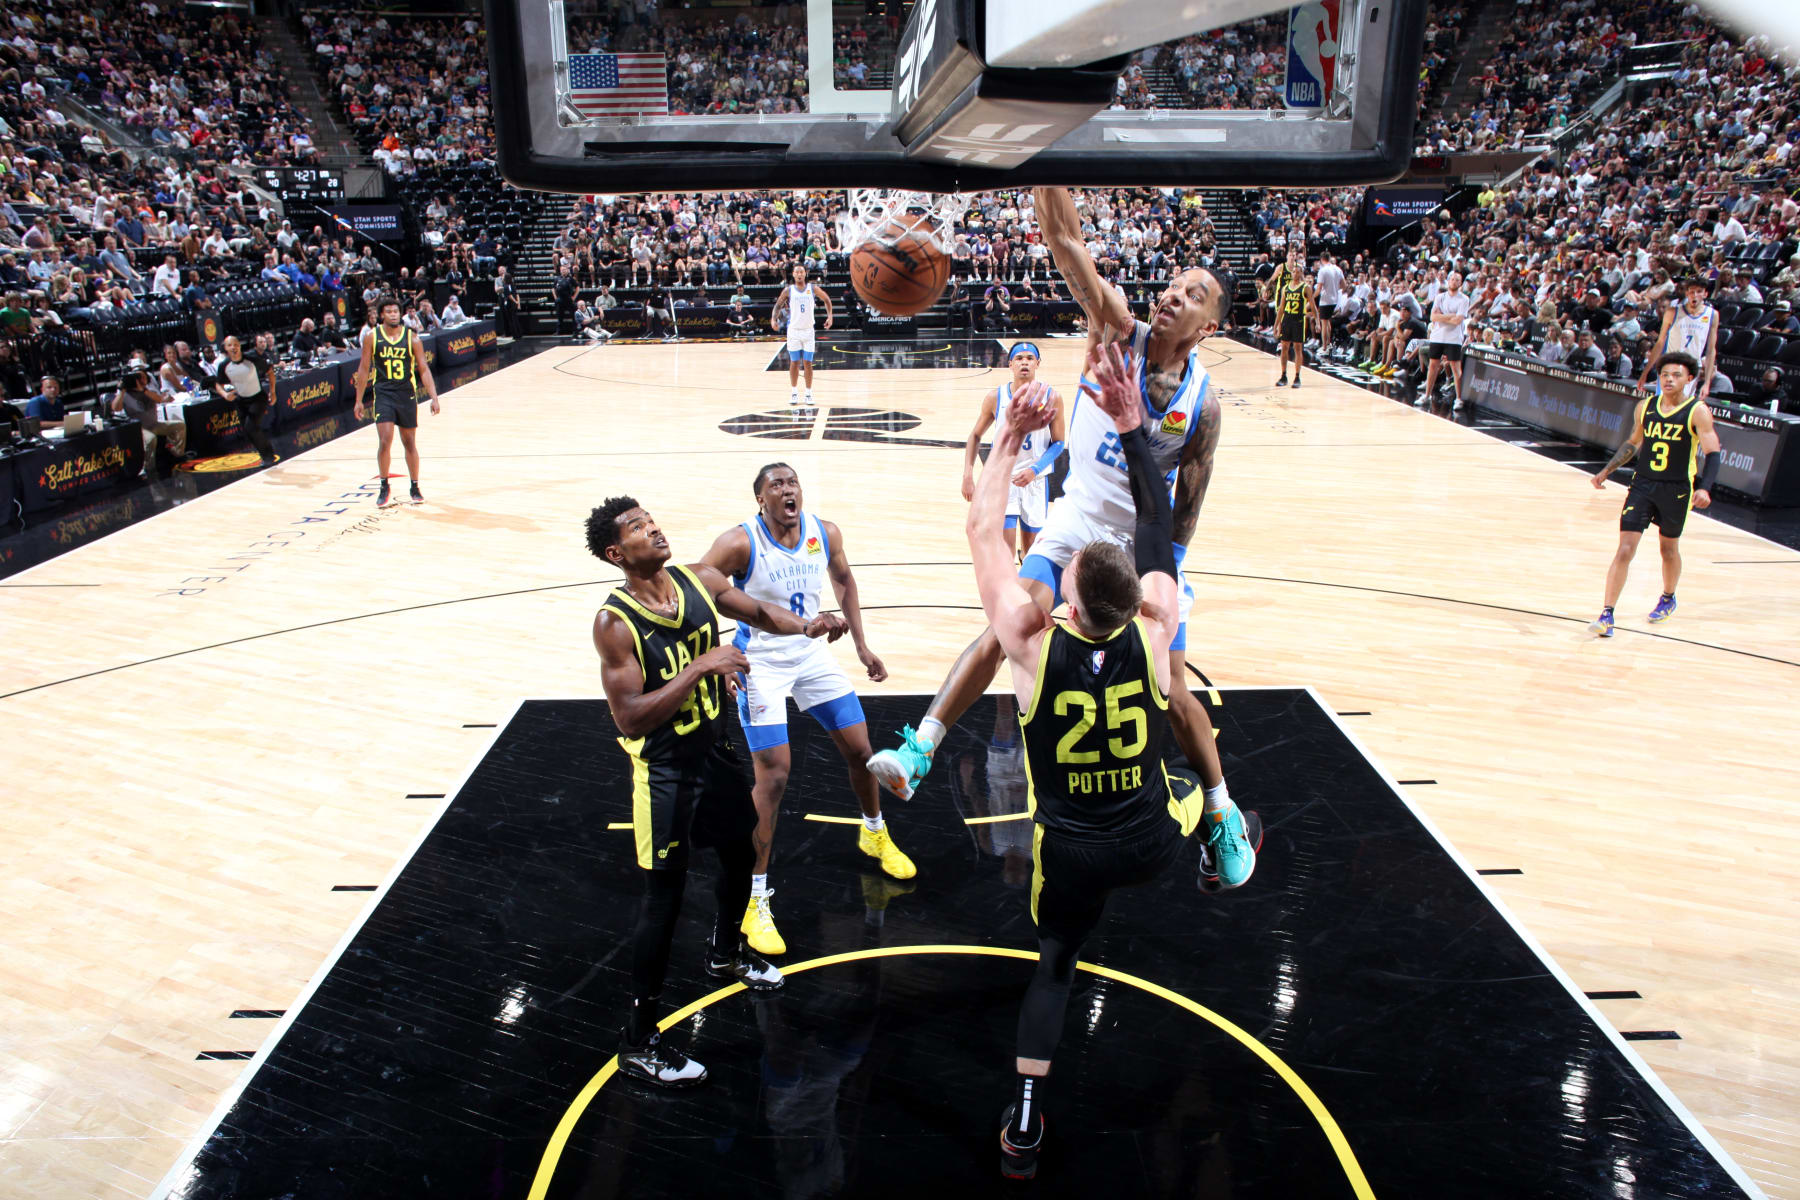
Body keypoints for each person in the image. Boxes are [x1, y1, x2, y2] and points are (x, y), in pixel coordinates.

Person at [866, 185, 1254, 889]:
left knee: (1171, 687)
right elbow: (1068, 246)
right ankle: (922, 747)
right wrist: (1043, 158)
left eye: (1193, 293)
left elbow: (1189, 500)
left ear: (1208, 326)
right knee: (1009, 623)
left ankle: (1222, 814)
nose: (1173, 293)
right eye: (1173, 284)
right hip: (1075, 521)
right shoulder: (1116, 330)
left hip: (1144, 542)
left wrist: (1168, 579)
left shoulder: (1206, 404)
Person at [974, 345, 1242, 1180]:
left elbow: (985, 527)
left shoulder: (1027, 642)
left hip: (1076, 853)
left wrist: (1009, 440)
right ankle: (1223, 835)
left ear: (1071, 600)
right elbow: (1158, 524)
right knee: (1204, 801)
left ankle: (1024, 1119)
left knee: (1055, 966)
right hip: (1149, 840)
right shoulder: (1159, 623)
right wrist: (1133, 430)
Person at [588, 496, 850, 1087]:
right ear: (615, 553)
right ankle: (639, 1041)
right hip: (665, 772)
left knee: (740, 853)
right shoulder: (614, 622)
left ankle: (725, 953)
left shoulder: (698, 580)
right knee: (664, 900)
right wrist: (701, 668)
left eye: (651, 518)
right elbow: (629, 718)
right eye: (636, 528)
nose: (653, 527)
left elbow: (760, 613)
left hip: (715, 753)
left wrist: (808, 625)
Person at [698, 464, 907, 958]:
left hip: (812, 655)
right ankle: (754, 899)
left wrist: (861, 645)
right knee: (773, 778)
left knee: (862, 752)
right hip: (761, 664)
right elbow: (700, 592)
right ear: (760, 500)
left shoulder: (823, 531)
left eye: (792, 483)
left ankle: (874, 834)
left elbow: (845, 581)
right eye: (776, 486)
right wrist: (717, 659)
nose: (787, 490)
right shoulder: (739, 542)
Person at [1586, 352, 1722, 637]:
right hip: (1643, 485)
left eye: (1676, 375)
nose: (1669, 379)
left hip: (1677, 489)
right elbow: (1634, 442)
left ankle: (1668, 597)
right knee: (1625, 549)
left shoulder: (1697, 411)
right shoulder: (1646, 406)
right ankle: (1607, 613)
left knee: (1668, 549)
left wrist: (1705, 487)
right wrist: (1607, 471)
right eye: (1664, 375)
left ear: (1688, 379)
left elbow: (1712, 451)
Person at [961, 342, 1067, 559]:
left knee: (1031, 551)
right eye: (1019, 358)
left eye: (1029, 358)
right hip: (1004, 480)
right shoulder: (995, 397)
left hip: (1035, 481)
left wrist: (1035, 469)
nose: (1024, 362)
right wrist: (968, 474)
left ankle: (1025, 587)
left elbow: (1058, 443)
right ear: (1010, 364)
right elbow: (975, 436)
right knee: (1005, 550)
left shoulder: (1053, 397)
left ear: (1038, 363)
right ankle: (1010, 590)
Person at [353, 297, 441, 507]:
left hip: (406, 393)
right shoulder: (372, 337)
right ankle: (384, 485)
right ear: (381, 315)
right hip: (383, 393)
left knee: (409, 442)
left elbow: (424, 369)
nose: (393, 314)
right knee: (385, 440)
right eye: (389, 311)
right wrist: (358, 400)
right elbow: (364, 369)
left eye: (396, 311)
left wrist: (434, 397)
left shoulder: (412, 338)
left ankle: (414, 485)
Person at [1638, 279, 1718, 398]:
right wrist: (1645, 373)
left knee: (1681, 410)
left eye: (1699, 291)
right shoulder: (1672, 312)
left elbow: (1711, 350)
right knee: (1664, 406)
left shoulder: (1712, 315)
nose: (1694, 295)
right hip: (1670, 365)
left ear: (1705, 294)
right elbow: (1660, 343)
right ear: (1687, 293)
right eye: (1691, 292)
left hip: (1691, 368)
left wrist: (1707, 383)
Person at [211, 337, 279, 466]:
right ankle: (265, 454)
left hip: (258, 398)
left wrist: (273, 392)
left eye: (236, 344)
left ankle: (268, 456)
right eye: (230, 345)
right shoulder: (224, 365)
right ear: (226, 348)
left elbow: (270, 372)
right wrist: (225, 394)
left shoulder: (251, 360)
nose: (233, 347)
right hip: (241, 400)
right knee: (247, 431)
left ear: (240, 346)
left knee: (251, 427)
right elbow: (218, 384)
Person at [772, 263, 833, 406]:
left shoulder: (812, 288)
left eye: (801, 272)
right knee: (794, 362)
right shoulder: (789, 290)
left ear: (805, 274)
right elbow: (778, 305)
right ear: (793, 274)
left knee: (808, 362)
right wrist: (773, 318)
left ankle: (808, 393)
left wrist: (830, 316)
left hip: (808, 331)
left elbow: (827, 299)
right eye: (797, 272)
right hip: (793, 331)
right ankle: (794, 392)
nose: (799, 274)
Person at [112, 367, 187, 474]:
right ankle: (148, 467)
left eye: (143, 376)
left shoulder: (148, 391)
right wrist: (122, 391)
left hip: (155, 424)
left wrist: (143, 390)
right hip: (140, 428)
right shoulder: (125, 395)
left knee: (179, 425)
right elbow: (115, 408)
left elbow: (159, 399)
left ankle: (177, 453)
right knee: (151, 439)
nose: (141, 379)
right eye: (138, 377)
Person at [1420, 270, 1471, 408]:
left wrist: (1442, 316)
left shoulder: (1464, 299)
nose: (1454, 281)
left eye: (1457, 280)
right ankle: (1426, 395)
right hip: (1437, 336)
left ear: (1460, 283)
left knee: (1456, 368)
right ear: (1448, 281)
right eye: (1452, 279)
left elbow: (1457, 321)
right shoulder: (1440, 297)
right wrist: (1450, 316)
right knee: (1432, 366)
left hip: (1454, 338)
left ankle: (1459, 399)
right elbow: (1433, 317)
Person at [1273, 251, 1316, 389]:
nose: (1295, 274)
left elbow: (1313, 306)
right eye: (1293, 272)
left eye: (1298, 272)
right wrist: (1276, 324)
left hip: (1299, 320)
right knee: (1284, 347)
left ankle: (1297, 376)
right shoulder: (1285, 288)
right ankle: (1283, 375)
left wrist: (1318, 321)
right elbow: (1280, 308)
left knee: (1298, 348)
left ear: (1301, 273)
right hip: (1287, 319)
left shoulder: (1305, 287)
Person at [1315, 251, 1345, 357]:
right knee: (1328, 323)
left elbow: (1318, 289)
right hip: (1335, 300)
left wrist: (1311, 297)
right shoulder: (1338, 269)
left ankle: (1324, 347)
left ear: (1321, 259)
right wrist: (1334, 288)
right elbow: (1343, 285)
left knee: (1324, 324)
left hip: (1325, 299)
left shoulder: (1322, 270)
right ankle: (1328, 345)